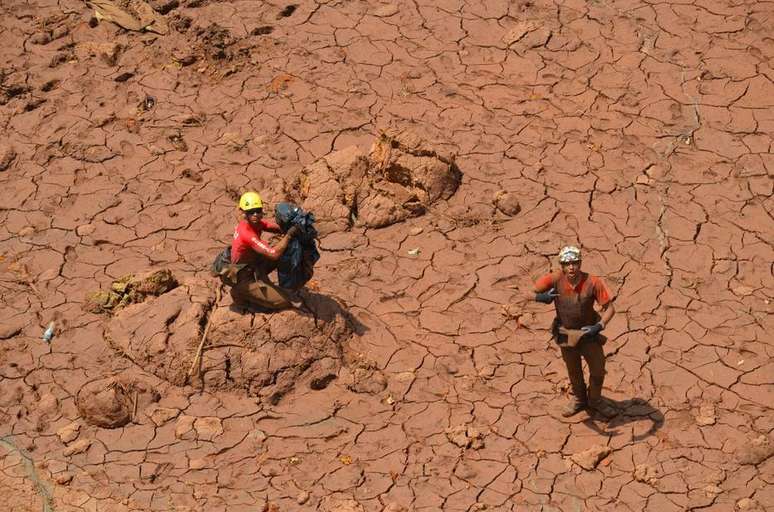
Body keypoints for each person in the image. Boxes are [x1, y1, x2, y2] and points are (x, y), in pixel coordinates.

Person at [533, 246, 618, 418]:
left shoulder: (593, 282)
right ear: (562, 265)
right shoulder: (555, 279)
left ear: (580, 263)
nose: (571, 267)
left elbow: (610, 308)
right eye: (567, 263)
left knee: (598, 369)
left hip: (588, 335)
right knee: (574, 370)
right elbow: (528, 292)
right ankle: (579, 399)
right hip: (566, 334)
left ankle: (595, 400)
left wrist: (599, 326)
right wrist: (540, 297)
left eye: (575, 263)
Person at [228, 191, 299, 310]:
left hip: (254, 264)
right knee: (283, 302)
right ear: (244, 213)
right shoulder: (246, 232)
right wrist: (289, 235)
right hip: (244, 275)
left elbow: (271, 227)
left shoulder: (255, 223)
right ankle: (240, 291)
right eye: (251, 212)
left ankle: (263, 279)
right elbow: (274, 254)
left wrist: (289, 227)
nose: (255, 214)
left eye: (258, 210)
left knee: (286, 250)